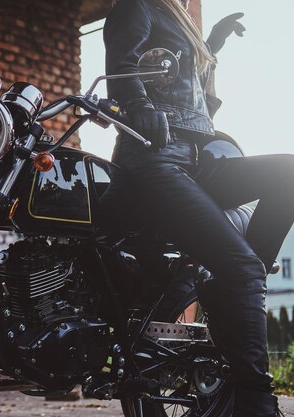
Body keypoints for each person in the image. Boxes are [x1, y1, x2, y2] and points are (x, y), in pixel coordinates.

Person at [103, 1, 294, 416]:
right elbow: (122, 67)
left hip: (199, 157)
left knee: (290, 173)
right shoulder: (137, 7)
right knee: (240, 267)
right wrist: (139, 108)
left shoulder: (176, 18)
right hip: (155, 158)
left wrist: (211, 46)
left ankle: (235, 287)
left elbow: (181, 85)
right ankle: (257, 404)